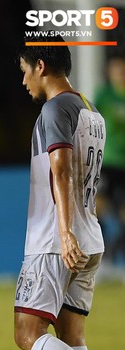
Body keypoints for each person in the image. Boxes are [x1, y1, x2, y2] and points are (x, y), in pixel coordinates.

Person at [15, 35, 124, 350]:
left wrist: (63, 232)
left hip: (55, 241)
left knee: (27, 333)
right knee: (72, 334)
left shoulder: (54, 108)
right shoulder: (90, 109)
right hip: (90, 234)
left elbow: (59, 167)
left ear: (41, 66)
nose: (23, 80)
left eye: (25, 69)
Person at [94, 53, 125, 273]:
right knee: (96, 210)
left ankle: (113, 255)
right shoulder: (104, 96)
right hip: (107, 162)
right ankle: (98, 258)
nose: (120, 74)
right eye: (117, 70)